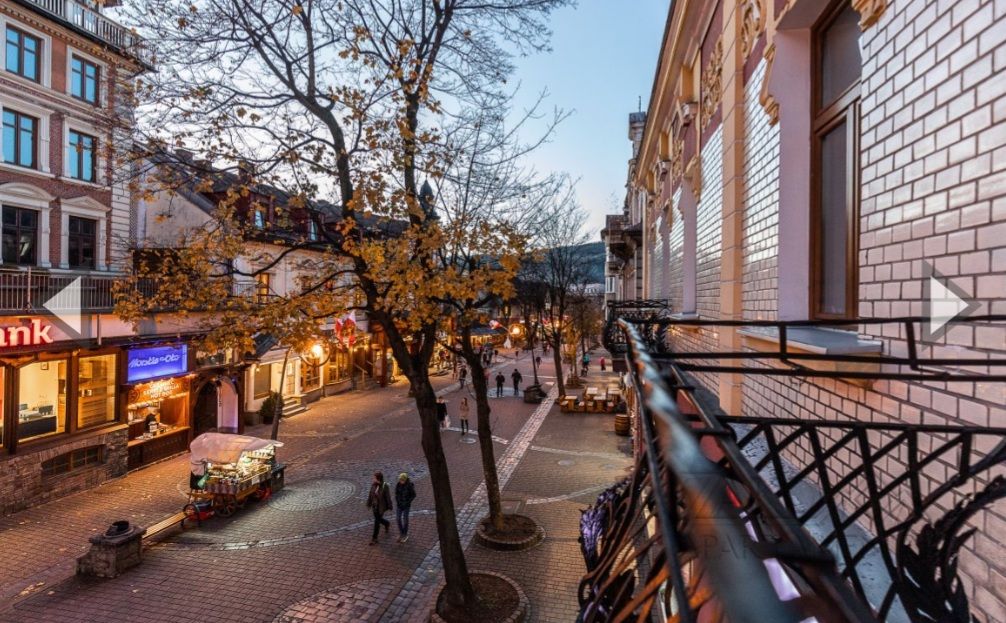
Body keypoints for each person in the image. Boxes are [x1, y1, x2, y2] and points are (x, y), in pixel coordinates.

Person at [367, 471, 392, 545]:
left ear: (378, 478)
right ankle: (386, 523)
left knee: (376, 522)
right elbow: (370, 494)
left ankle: (374, 538)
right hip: (375, 506)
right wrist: (369, 503)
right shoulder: (373, 485)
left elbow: (388, 497)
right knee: (378, 519)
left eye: (374, 478)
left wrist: (390, 506)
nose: (373, 479)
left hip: (381, 507)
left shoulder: (385, 486)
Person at [395, 472, 416, 543]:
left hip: (406, 506)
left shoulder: (409, 486)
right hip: (399, 505)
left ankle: (405, 534)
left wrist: (408, 502)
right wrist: (398, 501)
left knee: (405, 519)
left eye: (402, 480)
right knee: (398, 519)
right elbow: (396, 494)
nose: (401, 481)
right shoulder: (398, 484)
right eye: (400, 480)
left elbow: (413, 495)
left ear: (405, 480)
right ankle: (401, 532)